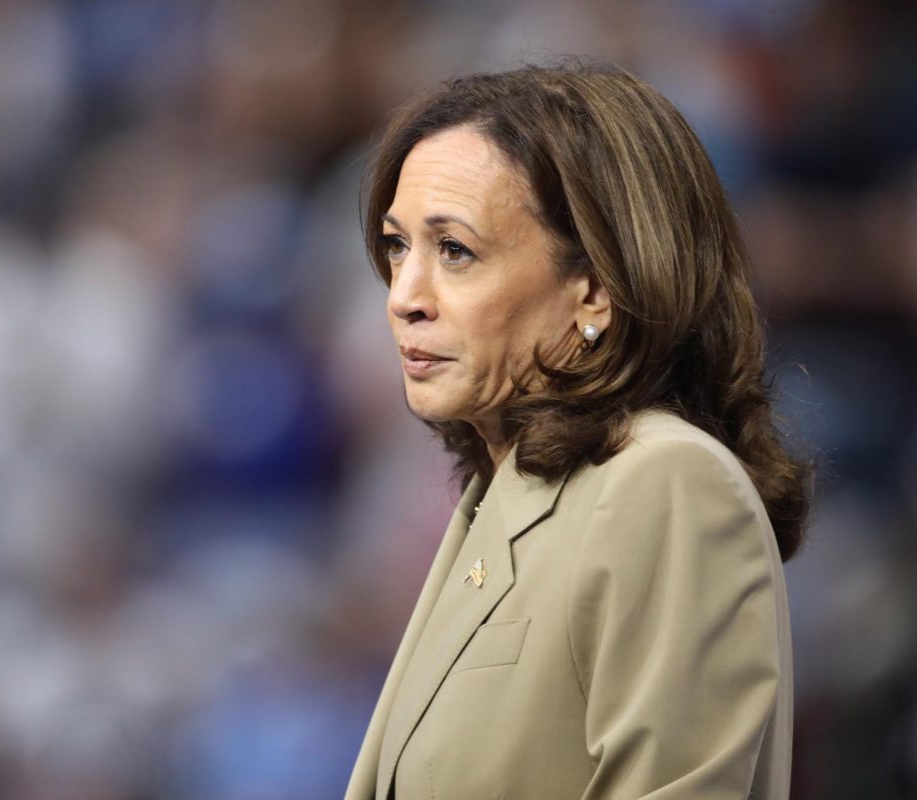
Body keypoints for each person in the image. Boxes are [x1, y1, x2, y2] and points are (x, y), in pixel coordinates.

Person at [345, 61, 811, 799]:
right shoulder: (507, 495)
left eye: (455, 251)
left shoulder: (666, 485)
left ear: (593, 290)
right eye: (398, 246)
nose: (404, 296)